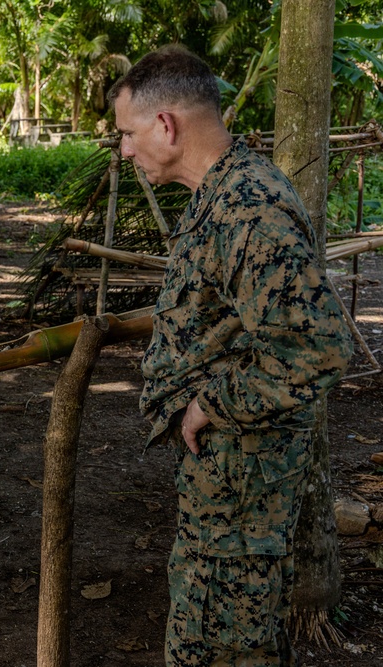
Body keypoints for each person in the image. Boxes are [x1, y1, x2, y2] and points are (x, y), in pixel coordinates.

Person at [109, 46, 353, 665]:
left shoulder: (247, 206)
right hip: (228, 486)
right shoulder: (222, 194)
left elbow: (317, 347)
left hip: (242, 486)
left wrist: (209, 406)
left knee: (219, 648)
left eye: (127, 134)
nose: (125, 151)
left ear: (166, 125)